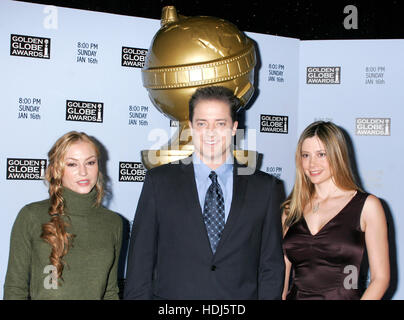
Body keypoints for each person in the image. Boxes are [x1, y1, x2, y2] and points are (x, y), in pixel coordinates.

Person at [124, 85, 285, 300]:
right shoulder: (159, 182)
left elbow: (271, 269)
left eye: (220, 123)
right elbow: (139, 267)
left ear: (234, 127)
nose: (210, 132)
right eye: (202, 123)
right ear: (190, 127)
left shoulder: (265, 188)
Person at [4, 131, 123, 300]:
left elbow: (110, 291)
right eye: (72, 164)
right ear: (56, 169)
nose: (83, 172)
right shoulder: (31, 216)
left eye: (90, 162)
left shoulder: (113, 222)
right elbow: (15, 288)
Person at [282, 121, 390, 300]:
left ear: (337, 155)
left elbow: (380, 279)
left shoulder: (367, 206)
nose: (312, 164)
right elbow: (282, 276)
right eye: (306, 155)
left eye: (321, 154)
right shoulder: (291, 209)